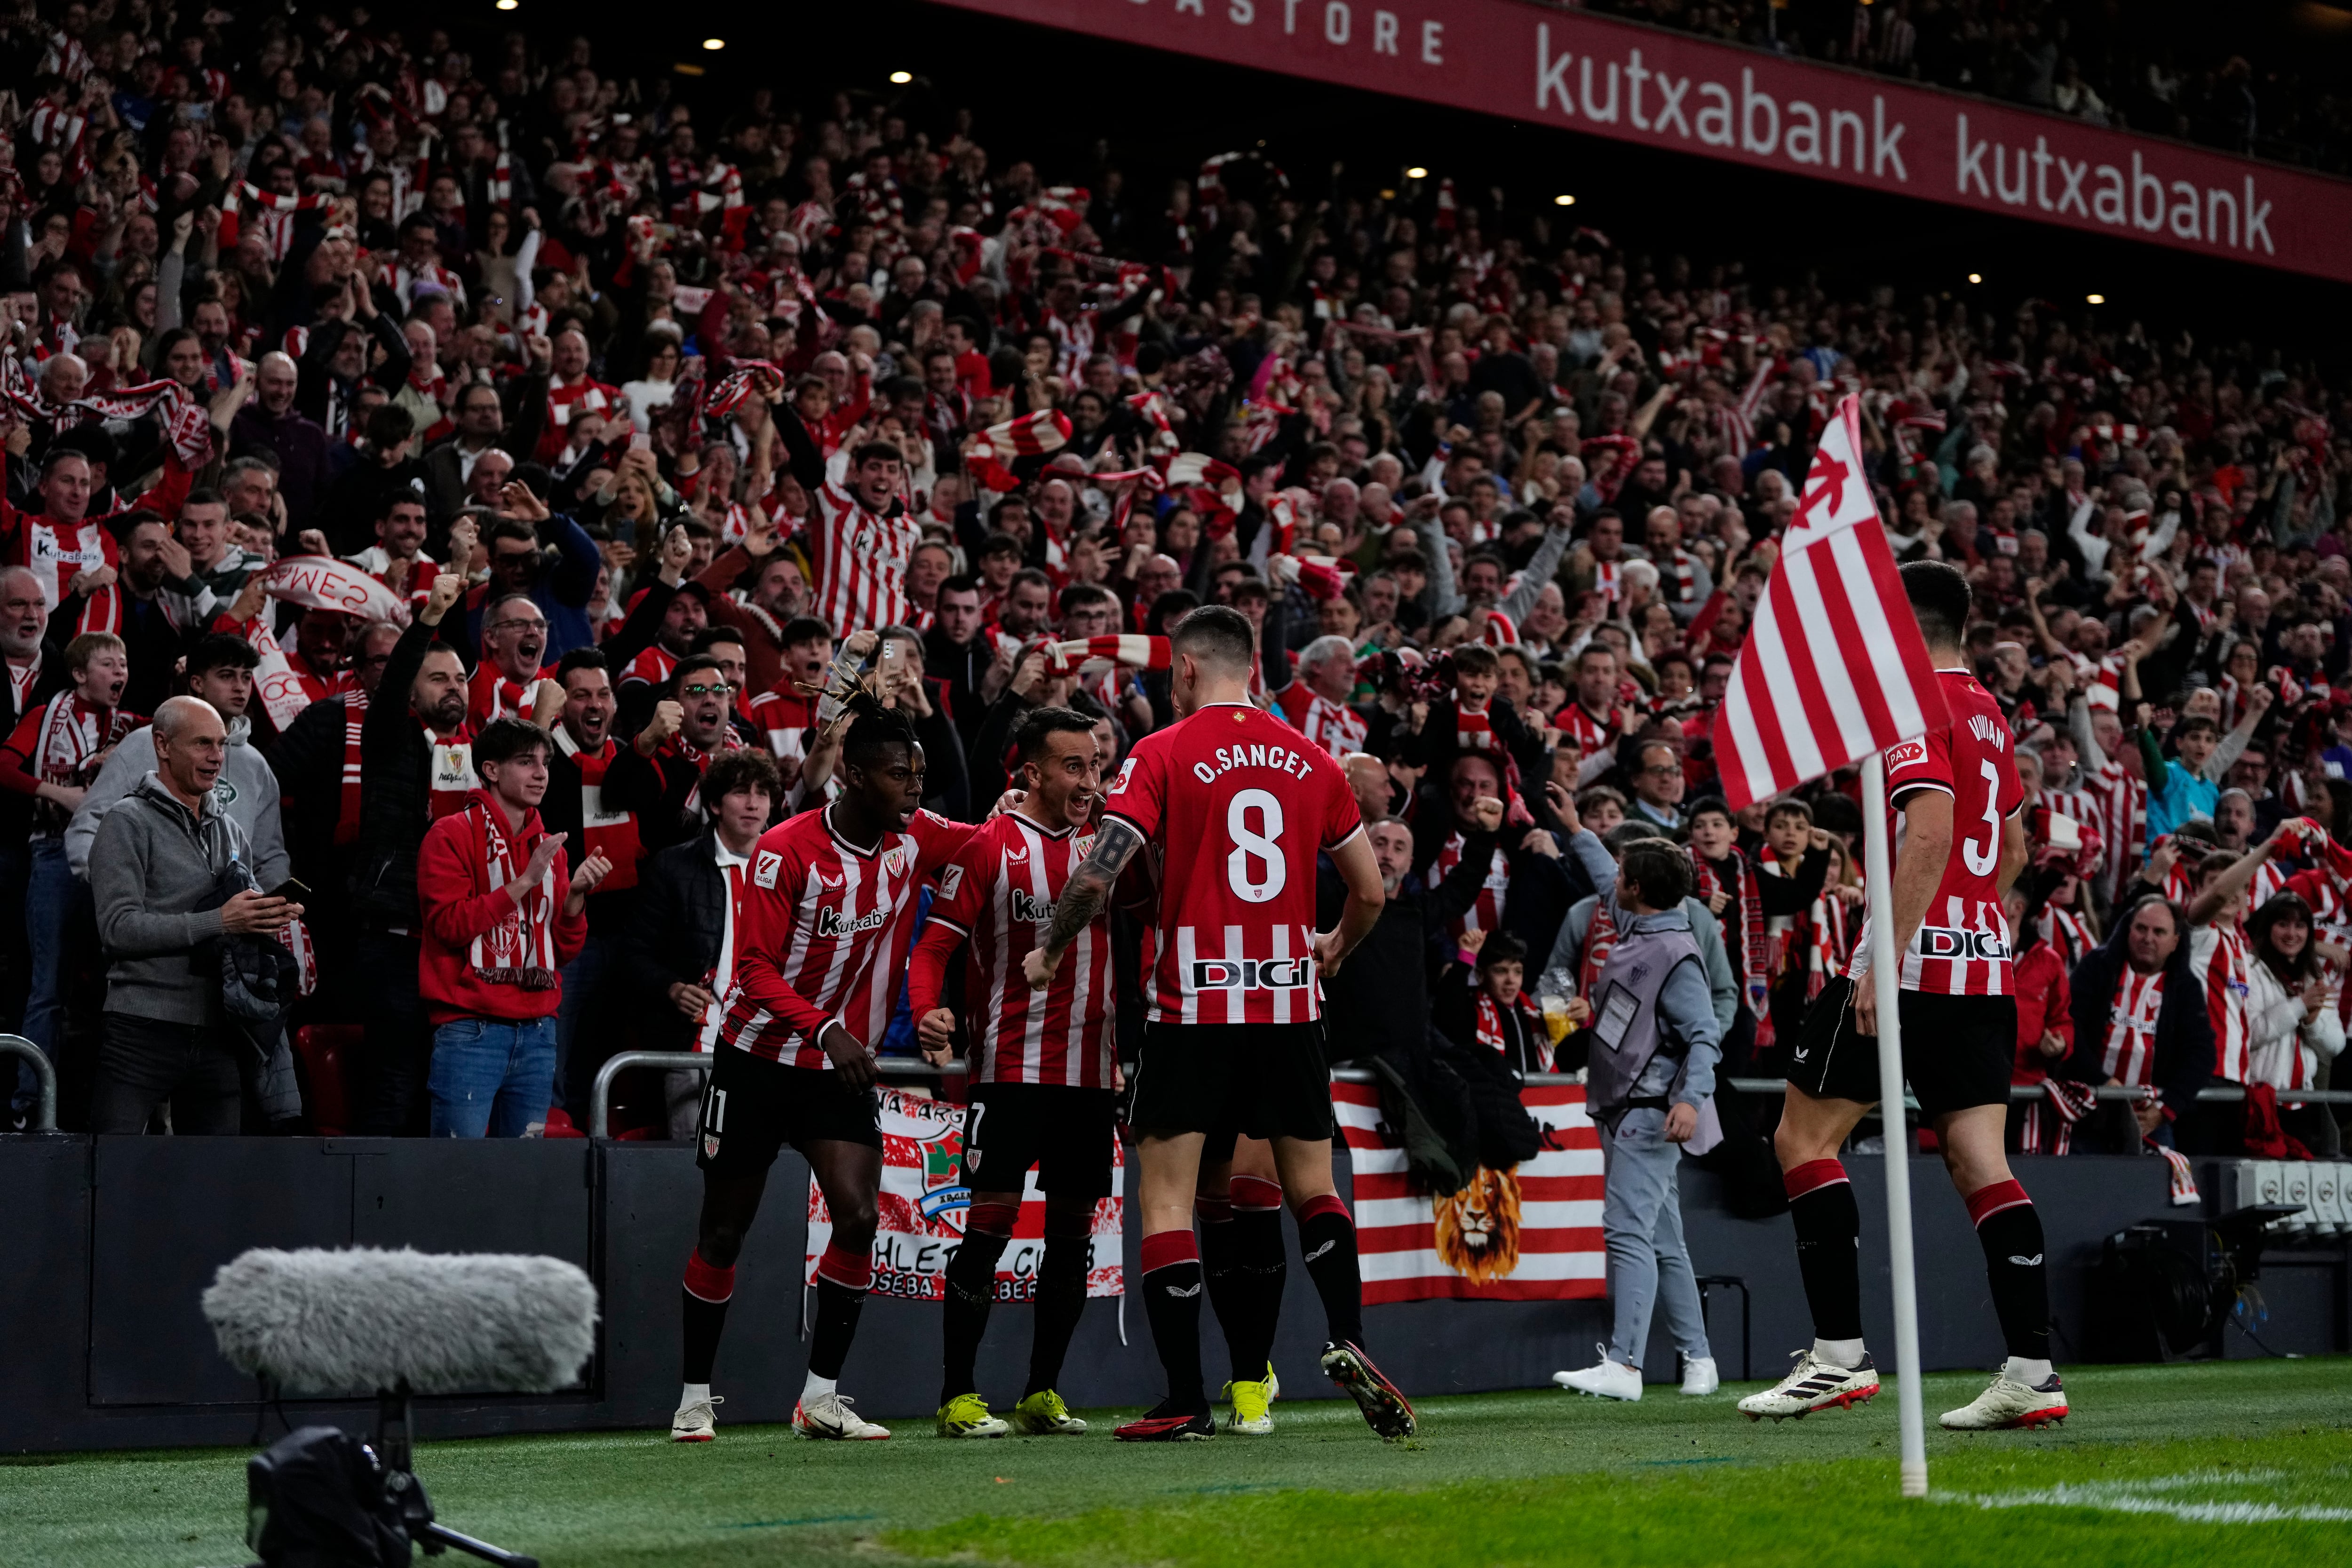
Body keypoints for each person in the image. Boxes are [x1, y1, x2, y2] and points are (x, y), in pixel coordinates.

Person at [1020, 605, 1406, 1442]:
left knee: (1167, 1200)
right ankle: (1351, 1338)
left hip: (1195, 1004)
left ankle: (1185, 1396)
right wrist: (1334, 945)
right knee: (1313, 1188)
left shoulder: (1161, 753)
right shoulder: (1314, 760)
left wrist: (1049, 950)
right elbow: (1372, 891)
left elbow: (1097, 875)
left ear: (1188, 671)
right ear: (1255, 669)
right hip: (1291, 1003)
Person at [1739, 562, 2059, 1432]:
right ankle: (2032, 1368)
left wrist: (1887, 954)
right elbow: (2017, 847)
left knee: (1801, 1138)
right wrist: (1965, 916)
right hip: (1982, 965)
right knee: (1979, 1160)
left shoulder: (1911, 710)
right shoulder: (1991, 713)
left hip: (1911, 966)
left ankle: (1839, 1356)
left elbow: (1931, 828)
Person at [671, 695, 977, 1444]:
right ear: (851, 773)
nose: (914, 787)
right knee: (723, 1231)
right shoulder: (783, 850)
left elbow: (992, 844)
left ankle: (821, 1397)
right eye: (899, 774)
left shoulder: (914, 840)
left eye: (920, 774)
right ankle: (693, 1396)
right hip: (757, 1060)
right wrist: (830, 1027)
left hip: (835, 1073)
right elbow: (752, 970)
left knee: (861, 1215)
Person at [908, 706, 1115, 1440]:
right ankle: (958, 1396)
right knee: (989, 1228)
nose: (1089, 781)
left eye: (1095, 765)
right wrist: (929, 1009)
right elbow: (935, 945)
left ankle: (1042, 1393)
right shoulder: (990, 844)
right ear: (1030, 772)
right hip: (1009, 1067)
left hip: (1093, 1074)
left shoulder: (1114, 847)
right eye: (1073, 767)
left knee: (1071, 1240)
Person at [1549, 804, 1721, 1401]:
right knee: (1661, 1237)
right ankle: (1698, 1359)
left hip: (1650, 1109)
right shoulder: (1640, 922)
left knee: (1624, 1231)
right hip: (1629, 1103)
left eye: (1622, 873)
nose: (1612, 880)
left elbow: (1704, 1032)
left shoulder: (1674, 952)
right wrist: (1576, 832)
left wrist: (1693, 1099)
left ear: (1637, 889)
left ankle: (1623, 1365)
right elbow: (1603, 876)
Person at [87, 697, 302, 1133]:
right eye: (203, 743)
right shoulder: (125, 822)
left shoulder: (232, 830)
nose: (217, 757)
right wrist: (220, 920)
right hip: (142, 1027)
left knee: (210, 1186)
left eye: (221, 744)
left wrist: (264, 914)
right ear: (162, 745)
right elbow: (117, 929)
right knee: (110, 1174)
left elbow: (236, 920)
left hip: (219, 1031)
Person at [415, 718, 609, 1137]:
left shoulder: (549, 847)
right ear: (490, 770)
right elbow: (449, 926)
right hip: (470, 1029)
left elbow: (564, 950)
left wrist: (575, 897)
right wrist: (523, 882)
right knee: (459, 1175)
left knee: (523, 1178)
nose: (541, 773)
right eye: (526, 762)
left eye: (545, 763)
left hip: (539, 1032)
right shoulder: (449, 835)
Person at [618, 748, 782, 1138]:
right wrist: (671, 987)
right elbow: (631, 953)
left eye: (762, 793)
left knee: (774, 1178)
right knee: (695, 1177)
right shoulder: (673, 867)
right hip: (698, 1049)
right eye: (741, 792)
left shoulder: (792, 870)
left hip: (776, 1050)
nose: (754, 802)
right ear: (713, 803)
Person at [0, 630, 136, 1082]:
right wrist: (62, 794)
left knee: (113, 988)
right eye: (108, 664)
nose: (120, 672)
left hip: (113, 858)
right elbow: (3, 765)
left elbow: (179, 731)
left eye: (124, 664)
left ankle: (110, 1102)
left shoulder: (132, 726)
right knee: (48, 987)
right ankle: (30, 1104)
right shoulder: (46, 714)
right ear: (79, 674)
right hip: (54, 852)